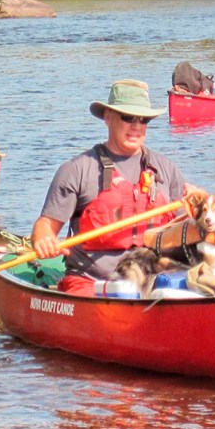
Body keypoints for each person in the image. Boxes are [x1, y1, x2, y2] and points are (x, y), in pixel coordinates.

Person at [31, 79, 187, 296]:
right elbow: (46, 225)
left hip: (155, 279)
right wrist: (43, 239)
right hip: (92, 282)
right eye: (128, 117)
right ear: (108, 118)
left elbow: (187, 231)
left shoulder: (166, 169)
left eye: (144, 120)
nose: (136, 126)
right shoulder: (77, 170)